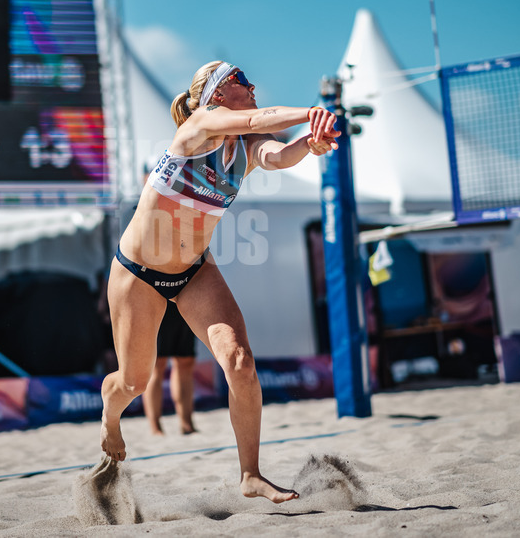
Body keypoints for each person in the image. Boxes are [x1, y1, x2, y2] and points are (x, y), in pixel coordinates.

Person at [100, 60, 340, 504]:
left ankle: (250, 474)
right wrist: (312, 111)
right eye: (242, 81)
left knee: (241, 364)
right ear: (217, 93)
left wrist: (312, 142)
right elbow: (255, 118)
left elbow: (277, 154)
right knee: (134, 382)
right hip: (137, 274)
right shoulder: (201, 126)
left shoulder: (244, 147)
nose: (252, 87)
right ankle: (110, 418)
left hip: (194, 271)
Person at [142, 299, 198, 436]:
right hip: (158, 298)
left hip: (185, 297)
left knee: (185, 361)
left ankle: (187, 423)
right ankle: (155, 426)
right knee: (157, 364)